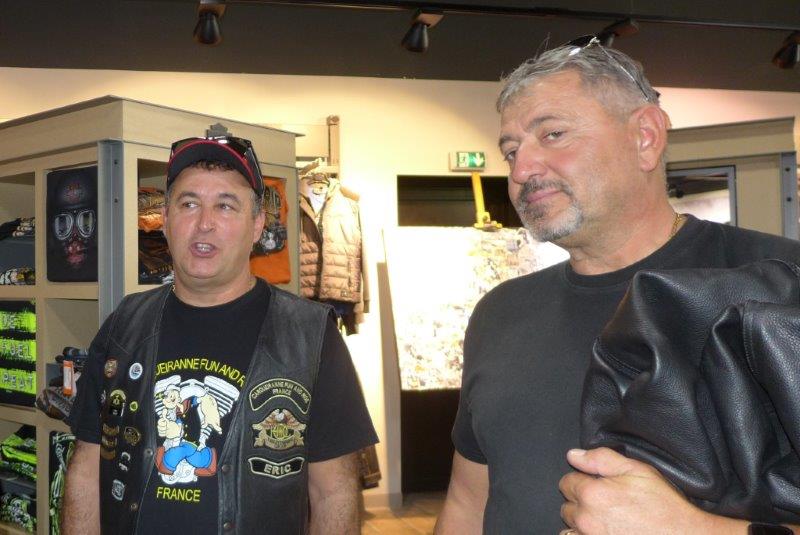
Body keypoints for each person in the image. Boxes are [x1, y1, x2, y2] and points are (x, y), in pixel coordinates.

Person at [435, 36, 800, 534]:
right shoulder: (500, 312)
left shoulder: (781, 284)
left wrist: (695, 530)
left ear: (645, 137)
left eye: (553, 134)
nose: (521, 170)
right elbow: (467, 502)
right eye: (511, 151)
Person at [63, 135, 377, 534]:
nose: (204, 223)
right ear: (165, 219)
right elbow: (87, 468)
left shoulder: (311, 336)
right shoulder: (124, 325)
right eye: (189, 204)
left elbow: (334, 493)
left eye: (225, 205)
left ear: (257, 224)